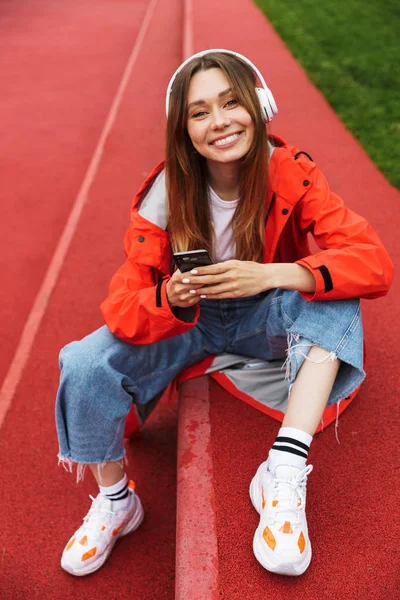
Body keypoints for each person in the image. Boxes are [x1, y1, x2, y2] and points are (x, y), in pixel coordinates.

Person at [56, 49, 393, 577]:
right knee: (81, 362)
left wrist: (274, 274)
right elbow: (121, 307)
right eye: (199, 111)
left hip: (266, 315)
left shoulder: (291, 172)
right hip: (192, 322)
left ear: (260, 104)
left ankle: (281, 469)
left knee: (336, 297)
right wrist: (171, 298)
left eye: (232, 102)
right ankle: (117, 500)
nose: (220, 122)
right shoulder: (162, 196)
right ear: (183, 128)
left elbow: (372, 262)